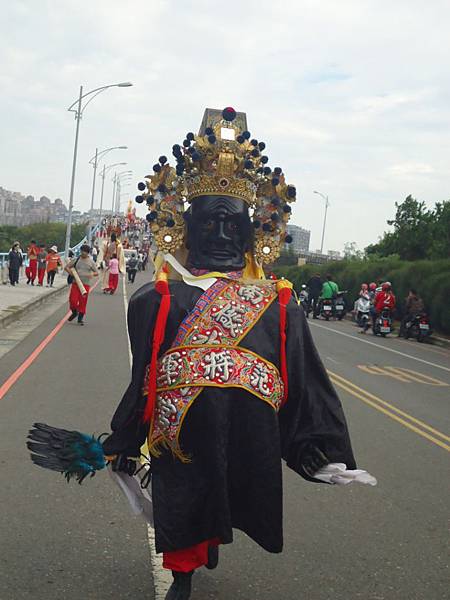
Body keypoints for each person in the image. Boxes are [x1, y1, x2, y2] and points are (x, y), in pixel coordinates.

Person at [100, 108, 375, 600]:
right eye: (210, 224)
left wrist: (321, 451)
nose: (222, 235)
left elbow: (305, 382)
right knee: (184, 491)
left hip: (249, 433)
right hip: (180, 429)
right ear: (186, 228)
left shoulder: (281, 303)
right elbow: (144, 380)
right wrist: (124, 436)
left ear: (252, 233)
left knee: (230, 487)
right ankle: (181, 573)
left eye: (233, 225)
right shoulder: (155, 301)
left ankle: (205, 545)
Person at [65, 244, 98, 325]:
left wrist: (92, 275)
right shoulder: (77, 259)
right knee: (73, 300)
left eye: (85, 252)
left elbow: (96, 272)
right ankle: (74, 312)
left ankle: (80, 319)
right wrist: (71, 273)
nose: (83, 253)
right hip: (75, 283)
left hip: (85, 285)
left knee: (83, 302)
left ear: (88, 253)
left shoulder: (91, 262)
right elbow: (66, 267)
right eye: (82, 251)